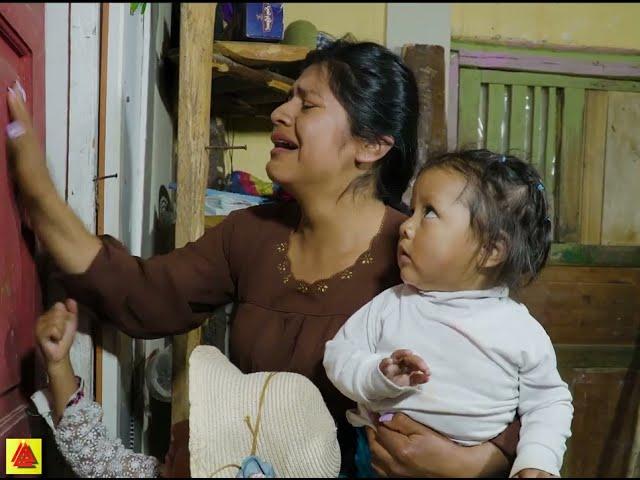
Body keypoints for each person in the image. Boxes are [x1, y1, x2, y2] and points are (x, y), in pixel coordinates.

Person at [7, 40, 518, 477]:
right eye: (288, 98)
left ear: (369, 145)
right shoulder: (251, 236)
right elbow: (137, 293)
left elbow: (517, 377)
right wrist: (30, 172)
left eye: (307, 104)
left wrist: (478, 462)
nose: (280, 113)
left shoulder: (414, 252)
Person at [324, 150, 574, 478]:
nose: (405, 227)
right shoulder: (392, 304)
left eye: (428, 213)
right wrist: (378, 374)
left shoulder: (520, 330)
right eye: (411, 210)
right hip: (374, 463)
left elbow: (548, 402)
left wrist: (538, 460)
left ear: (490, 250)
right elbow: (337, 355)